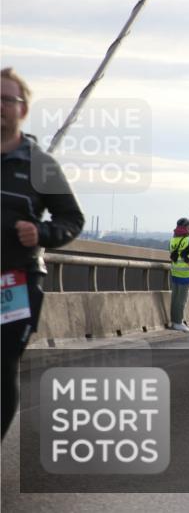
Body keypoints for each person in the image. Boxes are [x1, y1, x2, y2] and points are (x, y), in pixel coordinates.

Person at [1, 67, 85, 439]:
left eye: (6, 99)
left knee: (2, 368)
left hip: (15, 282)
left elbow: (72, 218)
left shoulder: (40, 164)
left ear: (22, 109)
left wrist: (41, 233)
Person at [168, 217, 189, 331]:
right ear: (187, 227)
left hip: (175, 272)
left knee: (174, 299)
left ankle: (174, 322)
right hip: (186, 274)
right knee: (181, 300)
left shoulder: (172, 240)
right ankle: (178, 322)